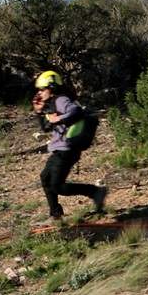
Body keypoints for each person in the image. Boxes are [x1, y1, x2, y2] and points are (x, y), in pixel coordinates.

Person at [32, 70, 106, 221]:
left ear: (51, 87)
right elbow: (46, 127)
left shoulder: (61, 100)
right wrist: (39, 112)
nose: (39, 93)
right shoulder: (51, 103)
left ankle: (95, 192)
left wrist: (58, 119)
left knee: (57, 186)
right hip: (59, 149)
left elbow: (76, 111)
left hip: (67, 150)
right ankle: (55, 214)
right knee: (45, 178)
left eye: (42, 89)